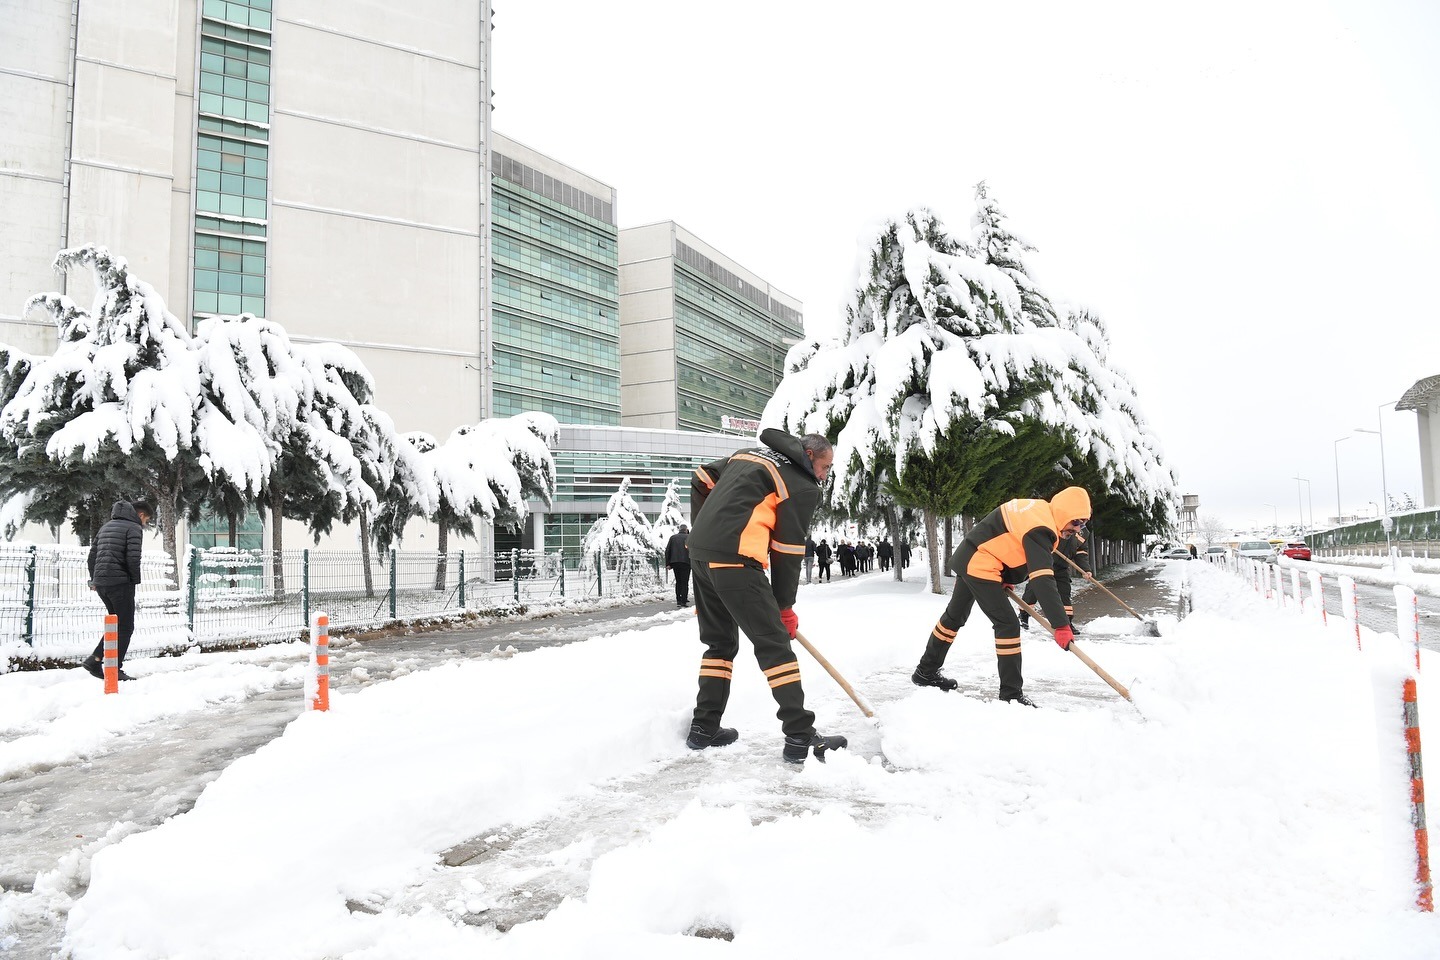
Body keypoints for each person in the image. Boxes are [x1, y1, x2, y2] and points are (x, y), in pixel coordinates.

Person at [685, 429, 847, 764]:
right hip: (736, 561)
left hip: (700, 557)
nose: (825, 475)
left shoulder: (748, 455)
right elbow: (787, 549)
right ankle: (800, 734)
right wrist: (784, 606)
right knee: (774, 645)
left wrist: (705, 530)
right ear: (811, 456)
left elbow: (701, 478)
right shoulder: (800, 485)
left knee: (719, 644)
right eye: (826, 467)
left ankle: (704, 729)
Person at [911, 487, 1091, 707]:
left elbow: (1005, 535)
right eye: (1075, 522)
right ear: (1063, 512)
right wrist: (1061, 624)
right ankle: (1011, 694)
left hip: (973, 555)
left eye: (1083, 523)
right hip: (981, 563)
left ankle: (925, 671)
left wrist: (1004, 575)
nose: (1078, 528)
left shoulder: (1040, 510)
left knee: (954, 617)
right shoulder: (1041, 528)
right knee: (1007, 624)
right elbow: (1042, 579)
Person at [81, 498, 153, 682]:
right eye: (146, 520)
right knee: (126, 626)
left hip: (102, 585)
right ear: (141, 515)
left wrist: (94, 580)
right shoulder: (133, 528)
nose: (144, 524)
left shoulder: (106, 527)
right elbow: (133, 558)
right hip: (120, 584)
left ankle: (95, 659)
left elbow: (92, 556)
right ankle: (115, 669)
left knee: (116, 624)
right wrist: (134, 581)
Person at [1020, 522, 1093, 631]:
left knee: (1064, 593)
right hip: (1045, 563)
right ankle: (1024, 616)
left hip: (1062, 567)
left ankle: (1067, 623)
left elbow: (1081, 552)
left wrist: (1085, 569)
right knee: (1034, 590)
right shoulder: (1061, 523)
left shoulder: (1084, 532)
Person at [665, 523, 691, 607]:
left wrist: (668, 563)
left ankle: (678, 600)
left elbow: (667, 551)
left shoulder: (673, 538)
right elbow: (692, 550)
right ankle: (684, 601)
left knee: (678, 581)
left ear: (679, 529)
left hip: (675, 563)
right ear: (686, 530)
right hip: (686, 563)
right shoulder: (688, 538)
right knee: (684, 582)